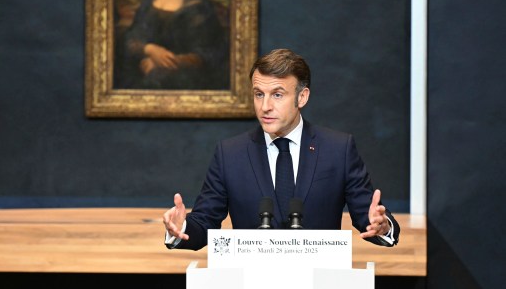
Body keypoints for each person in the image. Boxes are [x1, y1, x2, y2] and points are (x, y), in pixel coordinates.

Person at [162, 48, 399, 250]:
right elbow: (205, 223)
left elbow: (367, 217)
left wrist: (382, 225)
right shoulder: (230, 154)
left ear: (302, 97)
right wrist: (180, 227)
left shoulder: (338, 149)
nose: (265, 106)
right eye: (258, 94)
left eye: (277, 95)